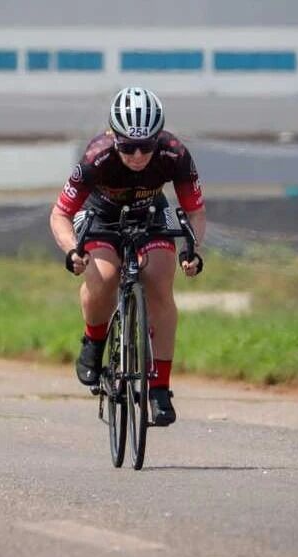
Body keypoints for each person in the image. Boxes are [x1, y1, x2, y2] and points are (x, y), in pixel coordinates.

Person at [49, 86, 206, 426]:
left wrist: (192, 250)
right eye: (128, 146)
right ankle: (93, 341)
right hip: (102, 217)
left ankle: (160, 389)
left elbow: (195, 210)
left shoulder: (175, 154)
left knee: (161, 281)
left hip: (150, 215)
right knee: (104, 275)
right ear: (113, 136)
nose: (137, 155)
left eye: (146, 146)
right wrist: (72, 250)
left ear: (158, 138)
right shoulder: (97, 157)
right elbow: (59, 214)